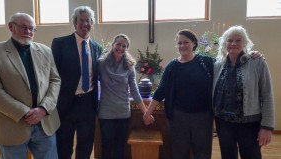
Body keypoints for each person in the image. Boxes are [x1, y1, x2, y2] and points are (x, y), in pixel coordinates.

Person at [0, 13, 61, 159]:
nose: (28, 32)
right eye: (24, 28)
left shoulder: (45, 51)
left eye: (32, 29)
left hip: (44, 124)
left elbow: (55, 80)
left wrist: (44, 109)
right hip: (12, 126)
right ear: (11, 27)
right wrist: (25, 112)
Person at [144, 29, 214, 159]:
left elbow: (227, 67)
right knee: (179, 153)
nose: (182, 46)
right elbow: (161, 90)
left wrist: (251, 56)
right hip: (178, 118)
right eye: (179, 43)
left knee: (203, 153)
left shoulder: (207, 62)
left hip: (202, 117)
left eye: (186, 42)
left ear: (193, 43)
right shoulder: (172, 66)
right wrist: (148, 112)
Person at [212, 25, 275, 159]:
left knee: (251, 156)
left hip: (249, 124)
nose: (233, 43)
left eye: (238, 40)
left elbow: (267, 95)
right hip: (223, 123)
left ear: (245, 43)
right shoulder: (218, 65)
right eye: (230, 40)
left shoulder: (257, 62)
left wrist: (267, 127)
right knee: (227, 156)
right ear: (224, 43)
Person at [51, 6, 102, 159]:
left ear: (92, 24)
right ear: (75, 23)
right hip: (66, 103)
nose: (85, 24)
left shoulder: (97, 47)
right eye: (81, 20)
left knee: (86, 144)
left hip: (88, 103)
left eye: (88, 21)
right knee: (64, 144)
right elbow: (52, 74)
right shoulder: (60, 43)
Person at [97, 34, 148, 159]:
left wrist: (145, 112)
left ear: (127, 48)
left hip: (123, 112)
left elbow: (134, 90)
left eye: (124, 46)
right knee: (107, 145)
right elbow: (93, 82)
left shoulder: (129, 66)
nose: (120, 47)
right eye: (118, 44)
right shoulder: (101, 63)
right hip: (106, 111)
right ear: (113, 45)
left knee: (120, 146)